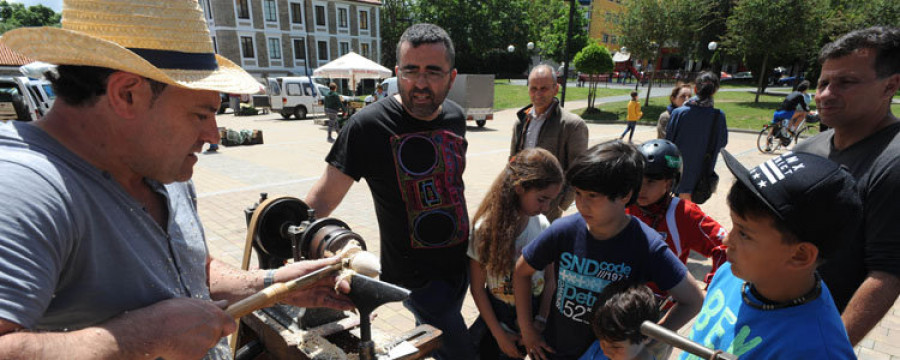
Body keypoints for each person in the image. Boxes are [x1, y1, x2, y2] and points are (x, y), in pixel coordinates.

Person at [0, 0, 353, 359]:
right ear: (127, 94)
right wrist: (145, 334)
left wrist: (275, 285)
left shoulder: (162, 166)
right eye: (200, 114)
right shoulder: (22, 191)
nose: (214, 135)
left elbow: (187, 271)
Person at [304, 23, 474, 360]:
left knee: (436, 343)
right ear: (398, 72)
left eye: (433, 72)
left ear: (452, 77)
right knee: (462, 353)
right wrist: (289, 256)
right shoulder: (368, 126)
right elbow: (321, 201)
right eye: (411, 70)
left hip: (460, 265)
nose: (421, 83)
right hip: (415, 277)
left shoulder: (455, 116)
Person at [512, 141, 703, 360]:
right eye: (578, 193)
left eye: (592, 195)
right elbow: (521, 271)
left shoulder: (645, 245)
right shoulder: (563, 231)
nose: (582, 204)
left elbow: (692, 300)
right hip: (556, 352)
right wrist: (527, 330)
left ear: (624, 194)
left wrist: (651, 338)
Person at [680, 150, 860, 359]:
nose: (726, 241)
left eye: (744, 234)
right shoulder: (731, 273)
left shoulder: (816, 351)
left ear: (800, 255)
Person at [794, 26, 900, 345]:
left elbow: (886, 274)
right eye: (823, 82)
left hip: (819, 332)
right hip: (771, 320)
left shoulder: (893, 164)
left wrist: (829, 348)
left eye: (846, 82)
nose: (826, 94)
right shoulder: (806, 149)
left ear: (890, 86)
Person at [468, 148, 563, 359]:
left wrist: (540, 321)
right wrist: (499, 335)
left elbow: (550, 279)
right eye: (541, 199)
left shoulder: (542, 226)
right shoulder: (484, 230)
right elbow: (477, 288)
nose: (546, 207)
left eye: (551, 201)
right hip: (497, 316)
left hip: (535, 311)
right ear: (519, 188)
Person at [626, 140, 727, 295]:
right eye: (638, 180)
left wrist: (713, 287)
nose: (641, 189)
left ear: (669, 183)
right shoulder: (623, 204)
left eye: (651, 181)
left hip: (659, 305)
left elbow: (724, 246)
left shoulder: (683, 213)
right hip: (619, 297)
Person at [511, 64, 589, 221]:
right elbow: (512, 160)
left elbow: (578, 169)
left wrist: (561, 204)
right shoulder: (521, 122)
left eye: (544, 88)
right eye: (533, 88)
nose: (538, 93)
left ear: (556, 89)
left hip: (548, 206)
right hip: (520, 199)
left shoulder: (572, 125)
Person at [665, 71, 728, 203]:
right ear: (715, 91)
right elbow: (721, 143)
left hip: (677, 172)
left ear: (695, 89)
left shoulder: (678, 113)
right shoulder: (718, 116)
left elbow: (668, 143)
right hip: (701, 174)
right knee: (689, 212)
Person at [578, 282, 661, 360]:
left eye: (616, 347)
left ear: (647, 336)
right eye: (601, 341)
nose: (606, 352)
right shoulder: (598, 349)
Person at [767, 80, 811, 147]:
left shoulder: (793, 93)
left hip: (777, 112)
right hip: (786, 113)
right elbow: (804, 106)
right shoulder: (800, 95)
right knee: (800, 114)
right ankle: (792, 130)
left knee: (773, 126)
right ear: (805, 89)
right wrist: (809, 111)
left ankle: (768, 145)